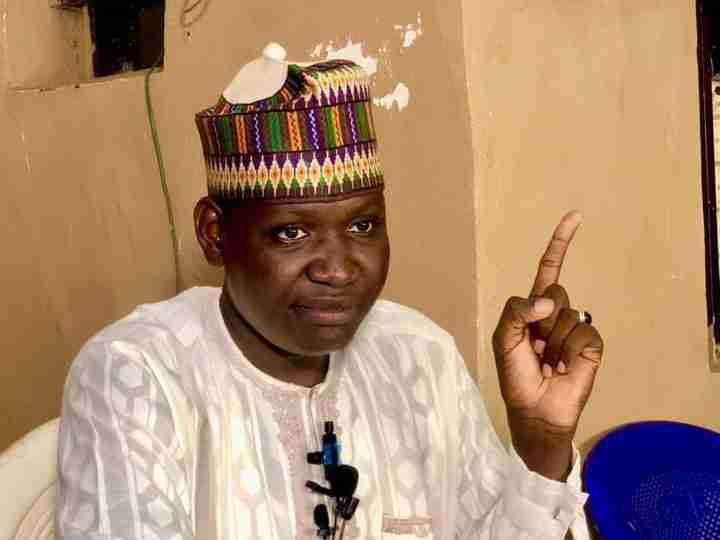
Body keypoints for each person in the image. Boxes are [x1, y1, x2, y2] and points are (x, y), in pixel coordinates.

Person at [56, 45, 603, 540]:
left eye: (363, 226)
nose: (339, 270)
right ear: (216, 234)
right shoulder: (139, 374)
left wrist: (541, 445)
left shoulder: (419, 356)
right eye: (292, 233)